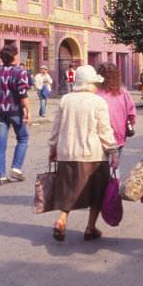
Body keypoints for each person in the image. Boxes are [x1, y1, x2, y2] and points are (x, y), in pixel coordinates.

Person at [48, 65, 118, 242]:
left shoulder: (65, 100)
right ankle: (90, 227)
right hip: (92, 154)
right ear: (90, 83)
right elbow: (104, 130)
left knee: (69, 190)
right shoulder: (98, 102)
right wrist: (113, 150)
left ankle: (62, 219)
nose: (97, 86)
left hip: (67, 153)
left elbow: (56, 127)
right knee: (97, 192)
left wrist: (52, 148)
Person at [0, 44, 31, 185]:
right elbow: (23, 94)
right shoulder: (20, 72)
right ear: (13, 56)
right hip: (15, 111)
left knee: (0, 145)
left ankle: (1, 176)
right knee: (23, 138)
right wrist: (28, 111)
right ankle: (16, 167)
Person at [96, 62, 136, 159]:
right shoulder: (123, 92)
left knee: (102, 167)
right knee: (115, 165)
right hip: (119, 134)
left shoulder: (95, 93)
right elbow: (132, 114)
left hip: (100, 136)